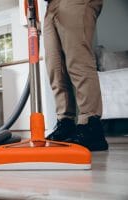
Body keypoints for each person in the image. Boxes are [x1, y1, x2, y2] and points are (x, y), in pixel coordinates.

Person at [43, 0, 108, 151]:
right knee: (55, 68)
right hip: (50, 5)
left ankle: (91, 126)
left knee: (78, 60)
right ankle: (65, 123)